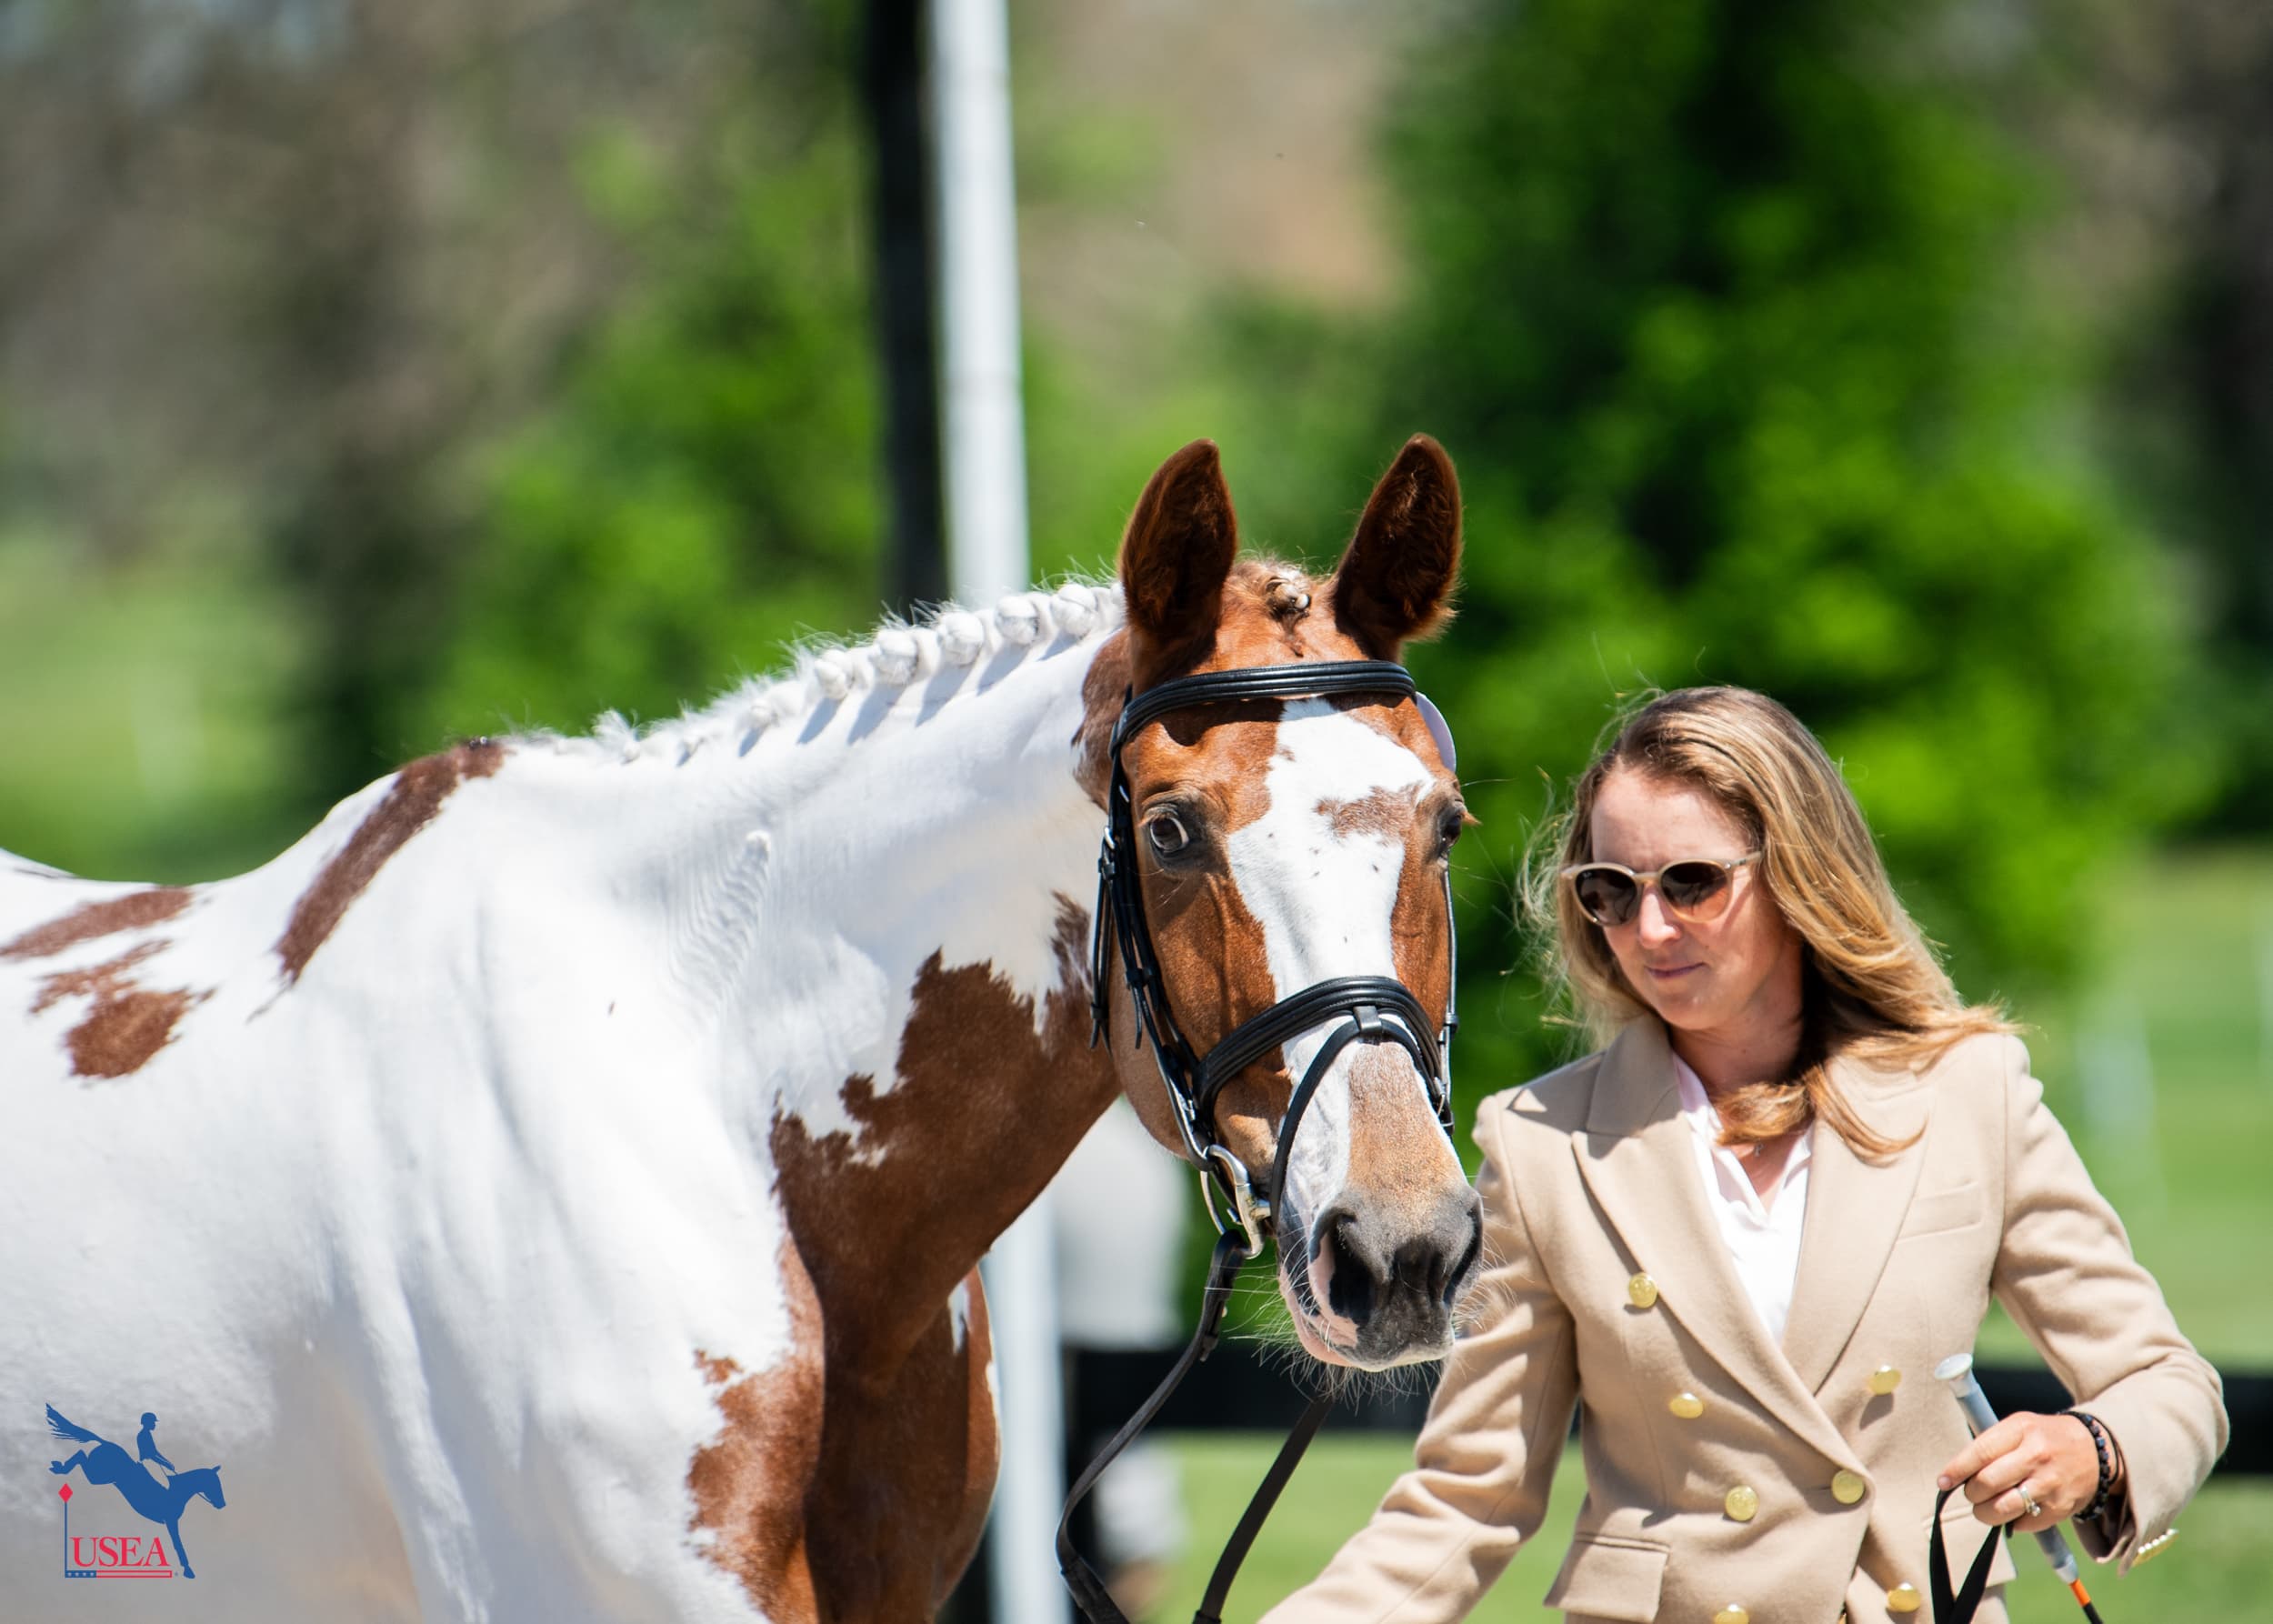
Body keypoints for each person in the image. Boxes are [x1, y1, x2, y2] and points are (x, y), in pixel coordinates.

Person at [1263, 687, 2228, 1624]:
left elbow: (2168, 1382)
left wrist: (2094, 1447)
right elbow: (1468, 1498)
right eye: (1609, 891)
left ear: (1798, 870)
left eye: (1691, 883)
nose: (1648, 930)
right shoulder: (1539, 1140)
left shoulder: (1971, 1090)